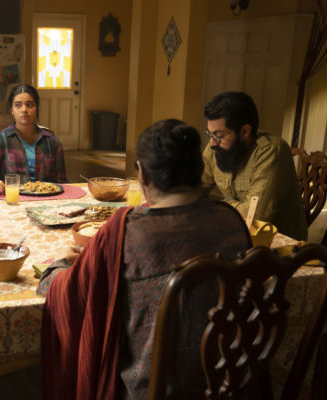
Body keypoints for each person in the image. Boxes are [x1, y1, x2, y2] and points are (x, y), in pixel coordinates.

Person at [37, 119, 252, 399]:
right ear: (199, 170)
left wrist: (60, 264)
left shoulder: (126, 230)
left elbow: (70, 294)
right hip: (228, 385)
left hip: (151, 391)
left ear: (143, 175)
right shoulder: (230, 219)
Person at [201, 91, 307, 240]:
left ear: (245, 131)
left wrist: (211, 205)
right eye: (210, 134)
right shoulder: (216, 145)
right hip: (235, 232)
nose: (212, 143)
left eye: (219, 136)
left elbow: (256, 215)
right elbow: (195, 187)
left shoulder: (272, 150)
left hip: (278, 247)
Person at [0, 83, 66, 194]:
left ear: (37, 108)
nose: (24, 109)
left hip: (46, 202)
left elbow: (62, 182)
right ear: (12, 110)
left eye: (30, 105)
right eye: (18, 105)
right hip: (12, 200)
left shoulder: (53, 142)